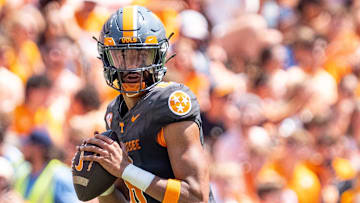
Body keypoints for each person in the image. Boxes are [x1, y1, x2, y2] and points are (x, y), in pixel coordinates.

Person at [77, 5, 213, 203]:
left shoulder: (171, 102)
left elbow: (195, 196)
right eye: (121, 56)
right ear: (107, 59)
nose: (131, 67)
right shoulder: (114, 113)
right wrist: (103, 186)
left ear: (158, 55)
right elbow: (127, 197)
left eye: (142, 55)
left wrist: (126, 170)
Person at [14, 128, 79, 203]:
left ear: (38, 149)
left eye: (27, 144)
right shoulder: (23, 174)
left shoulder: (60, 175)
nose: (23, 148)